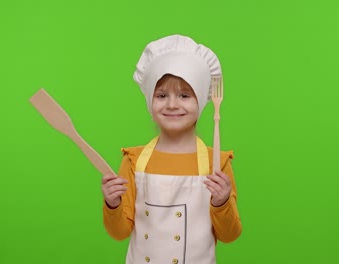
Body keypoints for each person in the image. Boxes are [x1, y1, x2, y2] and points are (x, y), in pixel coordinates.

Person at [101, 34, 242, 264]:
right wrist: (112, 203)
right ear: (150, 102)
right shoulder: (134, 160)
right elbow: (119, 232)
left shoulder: (217, 161)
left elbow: (229, 235)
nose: (172, 104)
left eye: (185, 95)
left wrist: (221, 201)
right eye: (162, 95)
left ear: (201, 101)